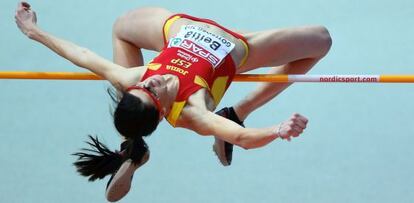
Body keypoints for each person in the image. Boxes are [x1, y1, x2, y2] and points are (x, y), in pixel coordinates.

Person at [15, 1, 331, 201]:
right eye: (151, 91)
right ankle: (236, 112)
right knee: (321, 40)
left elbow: (82, 56)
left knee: (123, 26)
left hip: (177, 27)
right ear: (164, 109)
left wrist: (34, 32)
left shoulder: (133, 79)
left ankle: (132, 147)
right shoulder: (191, 109)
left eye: (142, 85)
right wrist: (277, 129)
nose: (150, 81)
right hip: (237, 47)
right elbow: (243, 139)